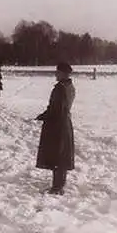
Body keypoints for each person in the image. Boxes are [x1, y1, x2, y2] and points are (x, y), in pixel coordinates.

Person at [35, 62, 76, 195]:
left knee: (57, 155)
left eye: (57, 72)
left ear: (64, 73)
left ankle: (57, 187)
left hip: (57, 125)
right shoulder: (69, 86)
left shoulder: (60, 88)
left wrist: (44, 116)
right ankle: (59, 184)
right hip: (64, 123)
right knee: (62, 155)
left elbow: (55, 108)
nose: (55, 74)